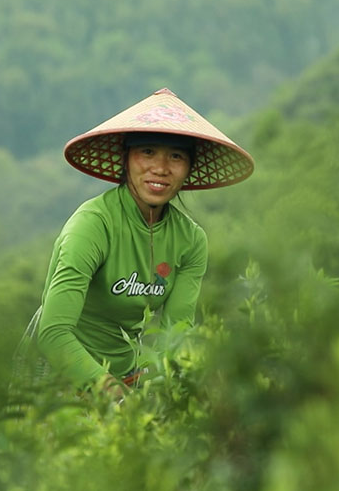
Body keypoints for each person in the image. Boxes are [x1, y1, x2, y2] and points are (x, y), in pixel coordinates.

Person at [32, 88, 254, 396]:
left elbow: (175, 335)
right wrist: (109, 391)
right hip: (57, 375)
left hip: (127, 376)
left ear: (189, 168)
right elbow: (53, 333)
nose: (161, 168)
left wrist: (171, 387)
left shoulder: (190, 240)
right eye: (147, 152)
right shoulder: (93, 225)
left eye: (176, 156)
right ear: (126, 159)